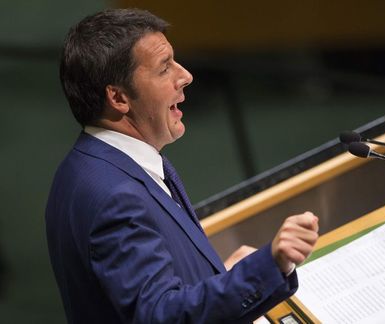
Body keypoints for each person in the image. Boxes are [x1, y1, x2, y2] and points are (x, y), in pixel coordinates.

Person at [46, 8, 319, 324]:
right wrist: (269, 266)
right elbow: (161, 316)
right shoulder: (115, 197)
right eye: (164, 69)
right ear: (119, 98)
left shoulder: (93, 164)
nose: (185, 75)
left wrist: (220, 276)